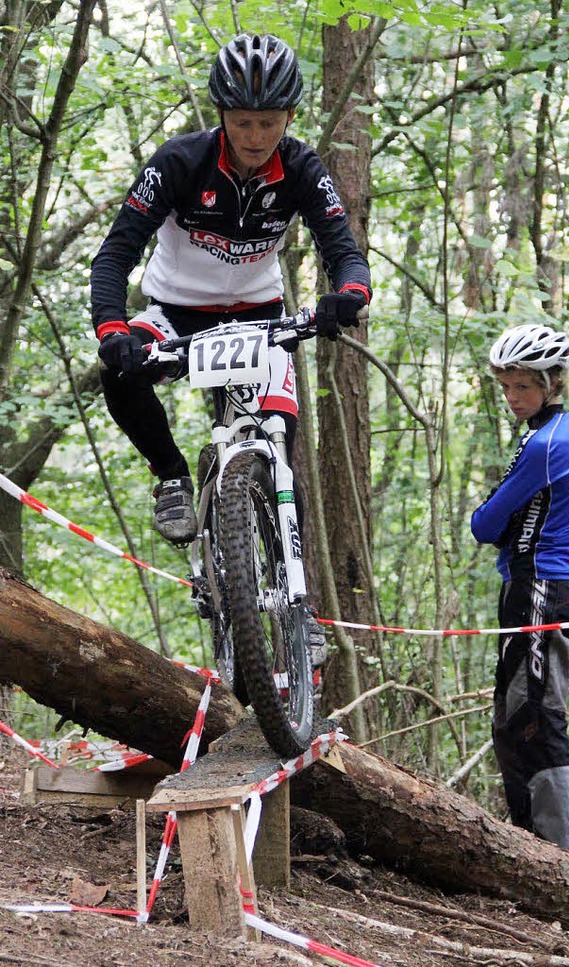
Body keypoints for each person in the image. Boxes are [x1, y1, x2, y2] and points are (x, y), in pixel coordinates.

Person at [91, 34, 372, 664]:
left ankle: (298, 608)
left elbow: (341, 245)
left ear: (288, 119)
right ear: (221, 116)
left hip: (260, 318)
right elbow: (115, 253)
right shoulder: (179, 162)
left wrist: (350, 292)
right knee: (118, 373)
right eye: (242, 121)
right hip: (175, 314)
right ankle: (171, 477)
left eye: (268, 123)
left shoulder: (301, 168)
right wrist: (112, 327)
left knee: (281, 450)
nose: (254, 135)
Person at [470, 324, 569, 853]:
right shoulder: (557, 430)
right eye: (505, 387)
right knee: (510, 716)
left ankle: (565, 858)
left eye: (523, 387)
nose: (512, 398)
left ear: (551, 382)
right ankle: (529, 846)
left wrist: (495, 517)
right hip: (536, 583)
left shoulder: (547, 442)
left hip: (541, 584)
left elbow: (484, 523)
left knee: (534, 717)